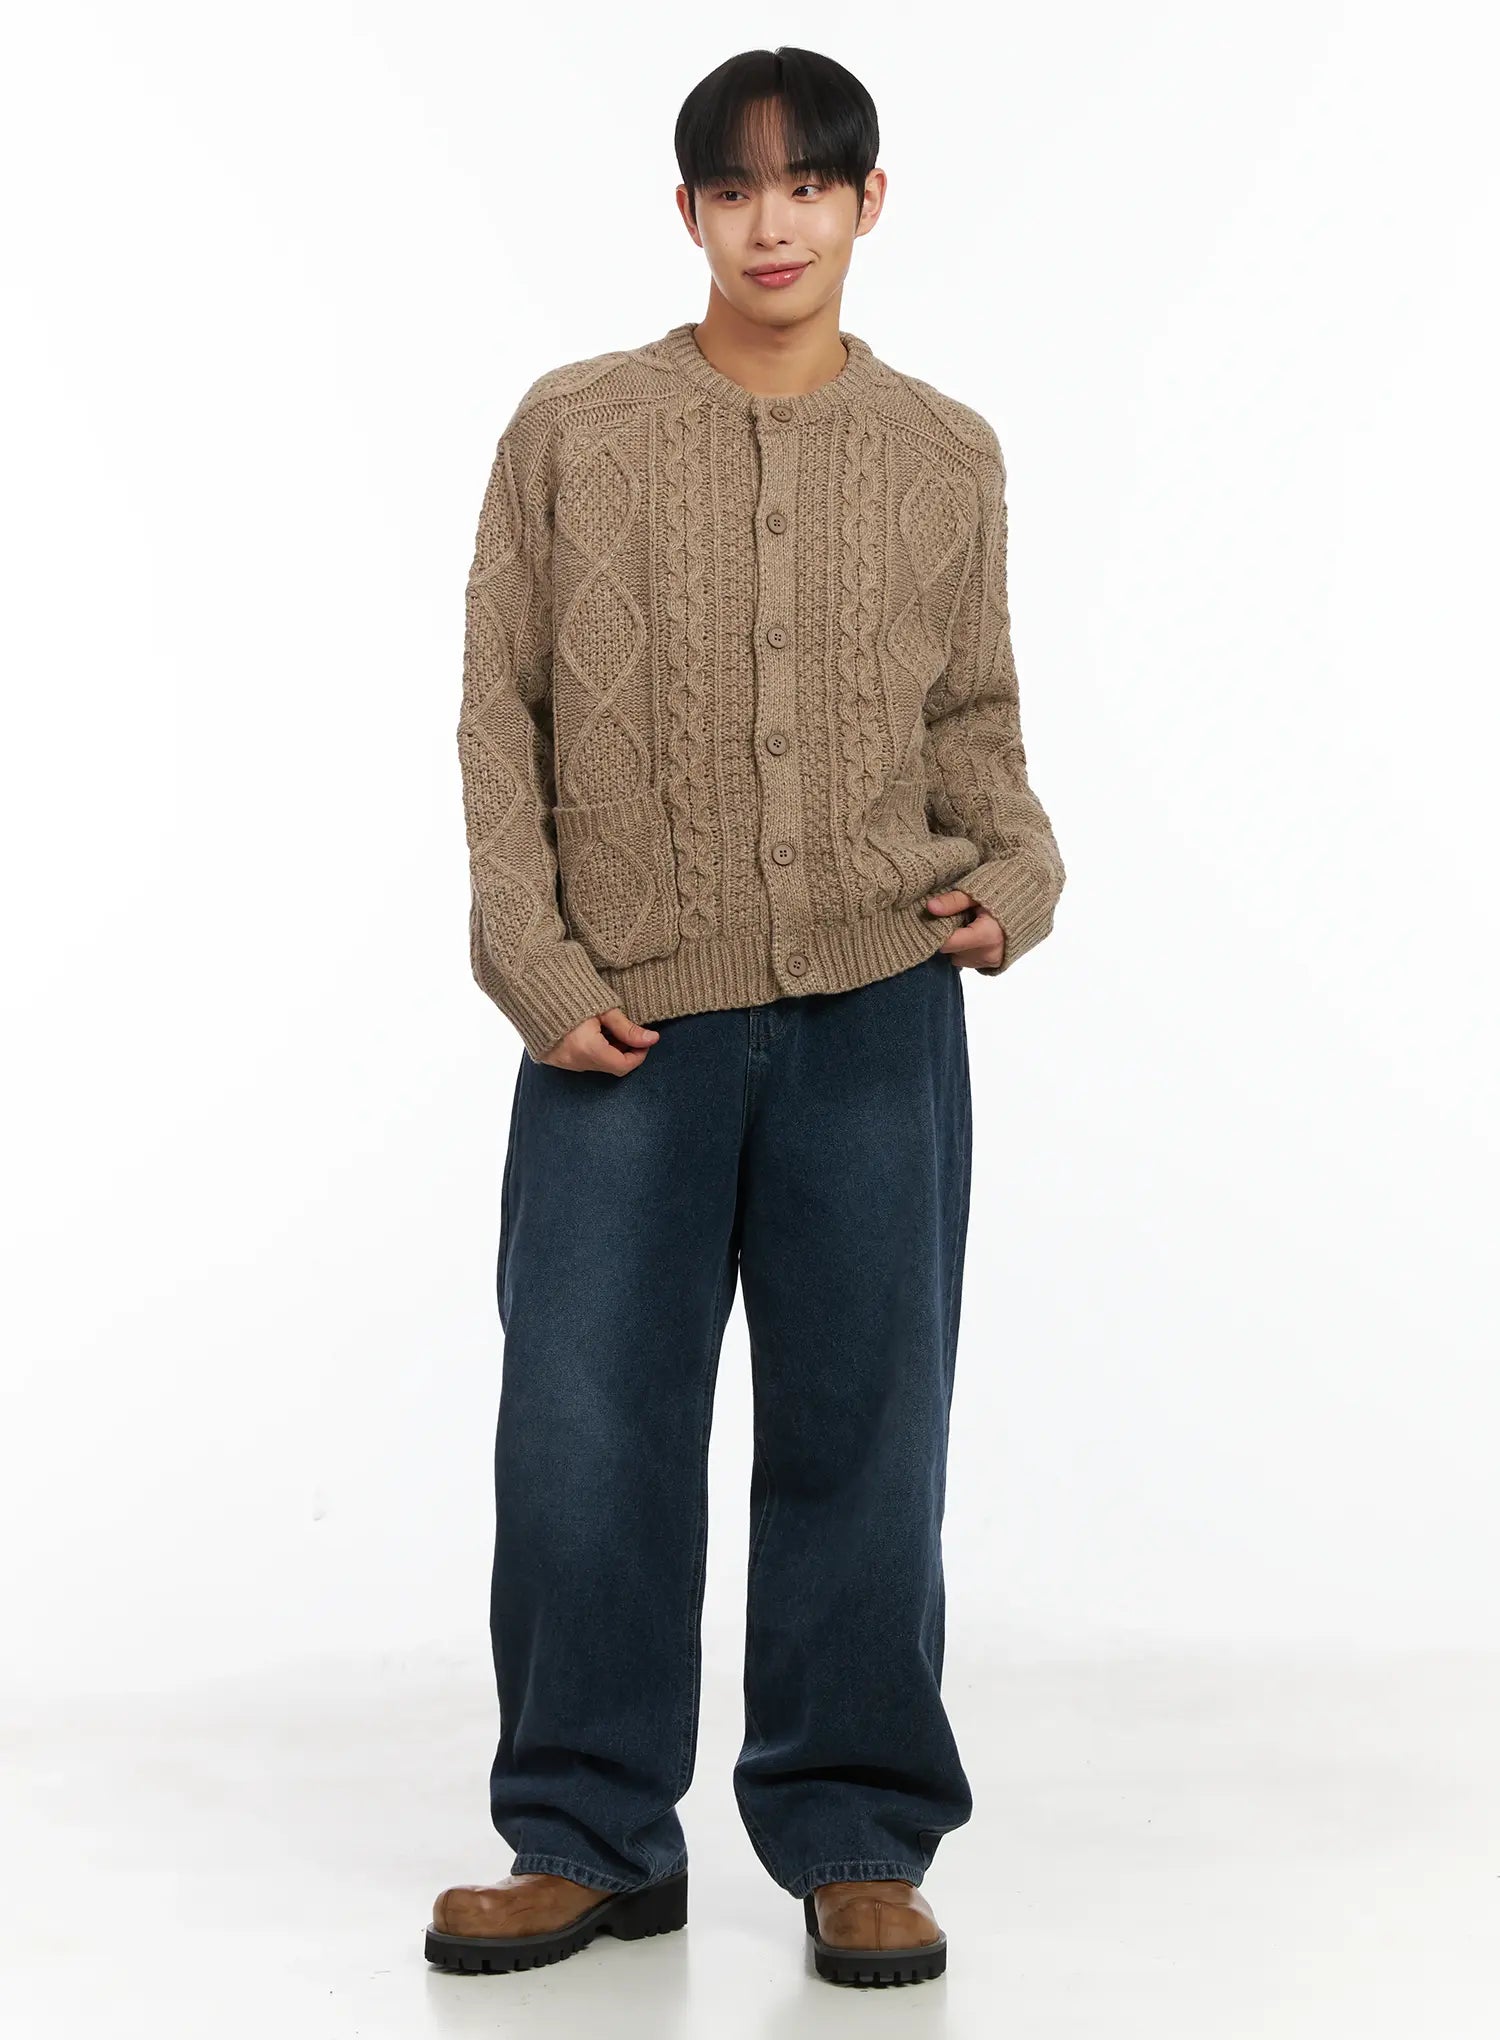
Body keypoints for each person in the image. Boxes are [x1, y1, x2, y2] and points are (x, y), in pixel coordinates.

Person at [424, 44, 1066, 1989]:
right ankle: (586, 1836)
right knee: (583, 1433)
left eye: (808, 185)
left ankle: (858, 1834)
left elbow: (976, 723)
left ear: (870, 202)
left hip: (878, 1014)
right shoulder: (577, 430)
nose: (772, 222)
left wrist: (1017, 874)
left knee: (866, 1433)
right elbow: (498, 714)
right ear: (689, 211)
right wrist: (534, 963)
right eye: (734, 188)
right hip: (620, 1025)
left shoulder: (945, 452)